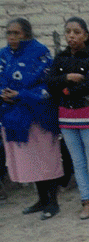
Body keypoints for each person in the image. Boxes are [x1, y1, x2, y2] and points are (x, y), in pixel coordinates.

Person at [0, 18, 63, 220]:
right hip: (14, 116)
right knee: (30, 161)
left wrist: (21, 95)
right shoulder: (3, 56)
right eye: (9, 33)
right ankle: (41, 199)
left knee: (46, 158)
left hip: (38, 116)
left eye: (16, 33)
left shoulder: (40, 53)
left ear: (27, 34)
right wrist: (4, 93)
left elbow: (48, 84)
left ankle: (53, 202)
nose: (11, 37)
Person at [48, 17, 89, 219]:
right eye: (68, 32)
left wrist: (64, 90)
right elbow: (50, 83)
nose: (71, 36)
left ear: (85, 34)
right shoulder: (61, 57)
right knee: (78, 162)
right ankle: (86, 201)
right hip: (66, 117)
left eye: (76, 32)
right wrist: (68, 78)